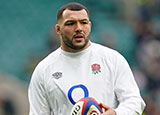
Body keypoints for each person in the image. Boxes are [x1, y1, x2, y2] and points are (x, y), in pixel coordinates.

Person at [28, 2, 146, 115]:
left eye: (83, 22)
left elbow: (135, 102)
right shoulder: (44, 70)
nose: (79, 28)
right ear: (58, 29)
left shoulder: (113, 59)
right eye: (71, 23)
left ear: (89, 25)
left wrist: (115, 113)